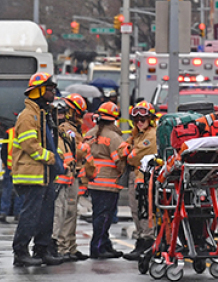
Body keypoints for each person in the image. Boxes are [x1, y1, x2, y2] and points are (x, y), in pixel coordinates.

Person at [11, 72, 65, 266]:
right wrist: (52, 158)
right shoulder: (28, 116)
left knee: (46, 215)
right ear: (38, 91)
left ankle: (41, 250)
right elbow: (30, 146)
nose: (53, 93)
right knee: (30, 215)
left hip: (44, 174)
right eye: (50, 89)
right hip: (31, 174)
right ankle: (20, 252)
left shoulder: (44, 114)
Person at [84, 101, 126, 260]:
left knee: (98, 216)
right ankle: (98, 248)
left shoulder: (90, 133)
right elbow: (119, 161)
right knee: (104, 218)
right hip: (108, 183)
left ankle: (105, 245)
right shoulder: (113, 137)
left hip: (94, 181)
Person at [53, 93, 89, 261]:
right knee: (65, 212)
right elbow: (78, 150)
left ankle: (70, 247)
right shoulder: (66, 128)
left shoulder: (72, 128)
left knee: (71, 212)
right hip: (66, 176)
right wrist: (86, 147)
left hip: (72, 176)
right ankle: (62, 248)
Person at [121, 100, 158, 261]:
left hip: (145, 178)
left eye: (143, 119)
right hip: (136, 177)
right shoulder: (137, 135)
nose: (139, 122)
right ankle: (141, 240)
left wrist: (129, 151)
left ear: (150, 118)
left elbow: (133, 157)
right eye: (136, 120)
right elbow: (122, 149)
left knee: (145, 210)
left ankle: (147, 242)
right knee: (136, 210)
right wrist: (129, 149)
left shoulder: (151, 135)